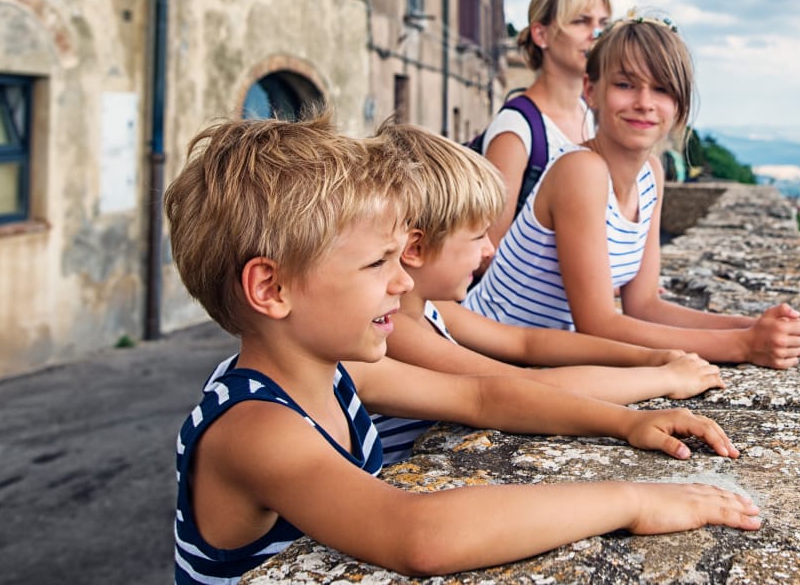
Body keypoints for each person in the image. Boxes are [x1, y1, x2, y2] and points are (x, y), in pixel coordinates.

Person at [166, 115, 760, 584]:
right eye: (377, 263)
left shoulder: (335, 372)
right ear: (272, 289)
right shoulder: (252, 427)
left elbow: (482, 395)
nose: (402, 284)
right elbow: (416, 533)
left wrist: (628, 423)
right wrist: (631, 500)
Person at [464, 12, 800, 369]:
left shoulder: (651, 172)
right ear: (592, 91)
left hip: (529, 364)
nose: (645, 102)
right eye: (625, 85)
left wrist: (753, 326)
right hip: (477, 359)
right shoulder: (580, 170)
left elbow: (645, 306)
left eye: (662, 89)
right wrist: (742, 345)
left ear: (679, 105)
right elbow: (599, 325)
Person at [372, 122, 725, 461]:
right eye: (478, 236)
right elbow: (517, 385)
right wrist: (663, 378)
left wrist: (650, 356)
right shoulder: (394, 324)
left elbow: (526, 342)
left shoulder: (427, 305)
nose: (489, 251)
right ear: (415, 249)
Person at [479, 0, 611, 247]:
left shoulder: (592, 116)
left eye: (603, 24)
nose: (596, 34)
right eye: (581, 21)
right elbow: (487, 248)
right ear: (541, 34)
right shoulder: (516, 129)